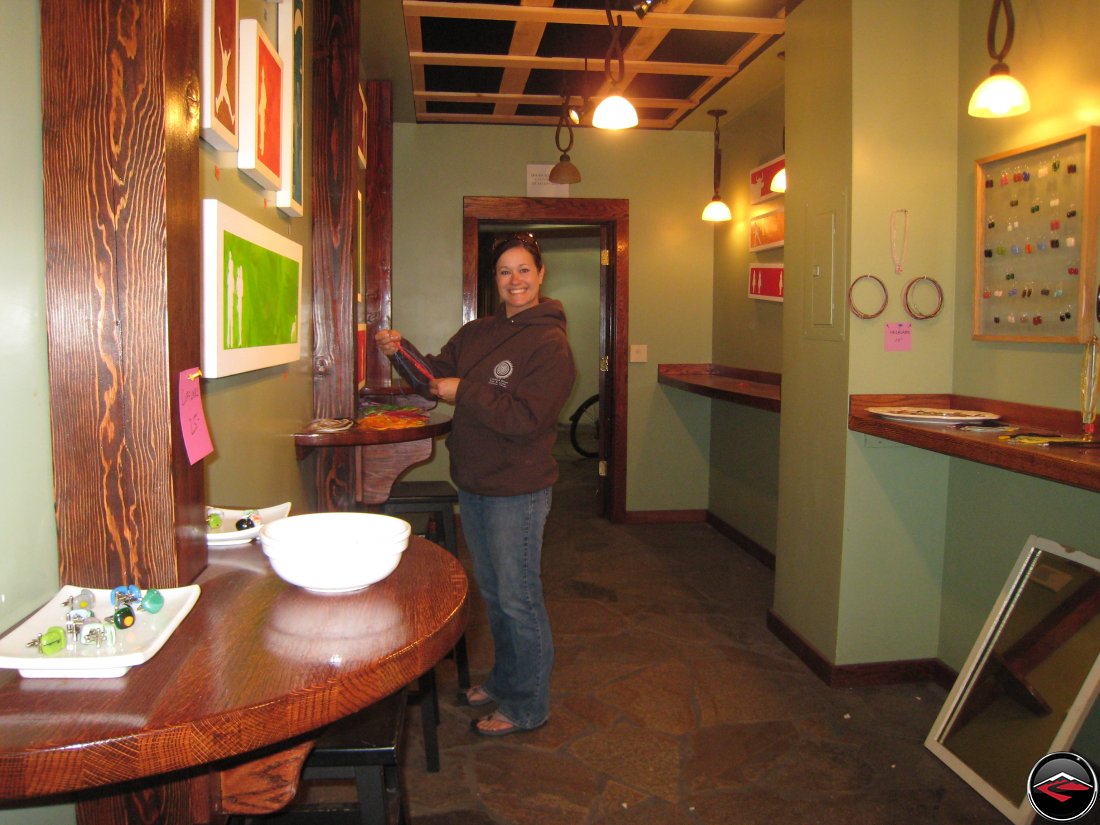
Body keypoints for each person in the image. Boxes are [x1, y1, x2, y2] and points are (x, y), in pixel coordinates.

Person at [375, 232, 576, 736]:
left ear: (540, 275)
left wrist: (466, 390)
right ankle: (505, 681)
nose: (515, 280)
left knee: (519, 598)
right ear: (495, 280)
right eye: (505, 271)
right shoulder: (477, 333)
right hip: (475, 482)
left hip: (518, 490)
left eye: (524, 270)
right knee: (494, 591)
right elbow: (432, 377)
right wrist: (400, 352)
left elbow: (526, 418)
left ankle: (528, 705)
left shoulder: (551, 344)